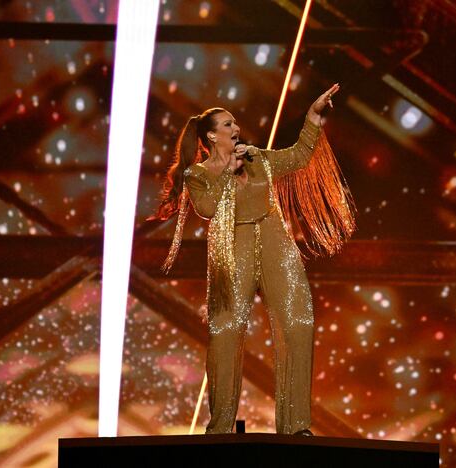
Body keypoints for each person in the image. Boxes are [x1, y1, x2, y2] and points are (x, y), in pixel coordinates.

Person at [151, 84, 355, 435]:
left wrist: (313, 119)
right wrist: (225, 173)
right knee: (226, 331)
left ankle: (295, 426)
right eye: (227, 124)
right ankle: (220, 428)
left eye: (234, 123)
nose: (235, 128)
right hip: (233, 248)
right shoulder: (198, 175)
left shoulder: (256, 158)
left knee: (297, 322)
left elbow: (297, 157)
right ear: (212, 136)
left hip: (275, 240)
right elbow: (206, 208)